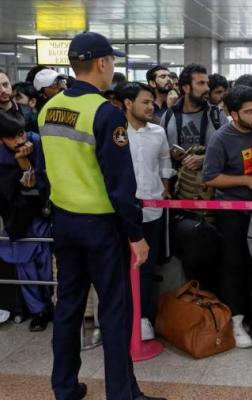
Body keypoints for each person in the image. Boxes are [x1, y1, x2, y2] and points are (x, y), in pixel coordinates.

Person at [37, 31, 163, 400]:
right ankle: (122, 394)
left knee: (68, 307)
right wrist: (136, 235)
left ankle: (64, 387)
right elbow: (121, 184)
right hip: (102, 228)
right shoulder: (105, 114)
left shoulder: (48, 108)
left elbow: (45, 170)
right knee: (114, 311)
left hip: (65, 222)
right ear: (103, 63)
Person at [203, 85, 252, 349]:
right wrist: (246, 180)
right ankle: (236, 321)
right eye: (249, 111)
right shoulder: (221, 139)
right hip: (231, 212)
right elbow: (211, 177)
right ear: (233, 113)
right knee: (233, 266)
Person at [117, 82, 174, 340]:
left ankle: (144, 319)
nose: (151, 107)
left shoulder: (158, 132)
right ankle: (121, 318)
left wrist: (164, 188)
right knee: (119, 266)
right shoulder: (116, 132)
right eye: (145, 102)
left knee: (147, 267)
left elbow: (164, 161)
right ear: (128, 103)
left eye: (152, 102)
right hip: (122, 210)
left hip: (152, 208)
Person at [0, 111, 53, 332]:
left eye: (21, 133)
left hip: (43, 213)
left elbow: (43, 183)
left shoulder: (38, 143)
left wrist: (25, 164)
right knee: (26, 268)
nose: (20, 140)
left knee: (48, 265)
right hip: (16, 217)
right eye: (12, 137)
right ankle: (38, 310)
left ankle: (54, 306)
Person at [161, 63, 226, 152]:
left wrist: (204, 158)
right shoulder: (168, 116)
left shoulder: (217, 115)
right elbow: (161, 152)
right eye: (201, 83)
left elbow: (228, 149)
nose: (207, 88)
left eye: (207, 84)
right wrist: (172, 155)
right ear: (186, 88)